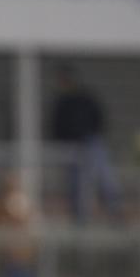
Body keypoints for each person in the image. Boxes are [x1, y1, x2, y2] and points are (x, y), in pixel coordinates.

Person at [50, 64, 119, 223]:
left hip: (91, 142)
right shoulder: (61, 102)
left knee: (104, 179)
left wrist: (93, 134)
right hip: (72, 147)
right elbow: (56, 127)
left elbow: (99, 118)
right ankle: (80, 220)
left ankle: (114, 212)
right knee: (77, 186)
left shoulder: (86, 98)